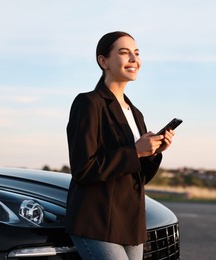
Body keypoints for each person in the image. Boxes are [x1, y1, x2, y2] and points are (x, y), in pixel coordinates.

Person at [65, 31, 175, 259]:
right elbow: (83, 169)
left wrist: (153, 153)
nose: (134, 60)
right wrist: (135, 150)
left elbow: (137, 176)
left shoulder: (136, 113)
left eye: (136, 53)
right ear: (103, 61)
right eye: (124, 53)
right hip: (96, 221)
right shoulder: (88, 103)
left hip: (129, 224)